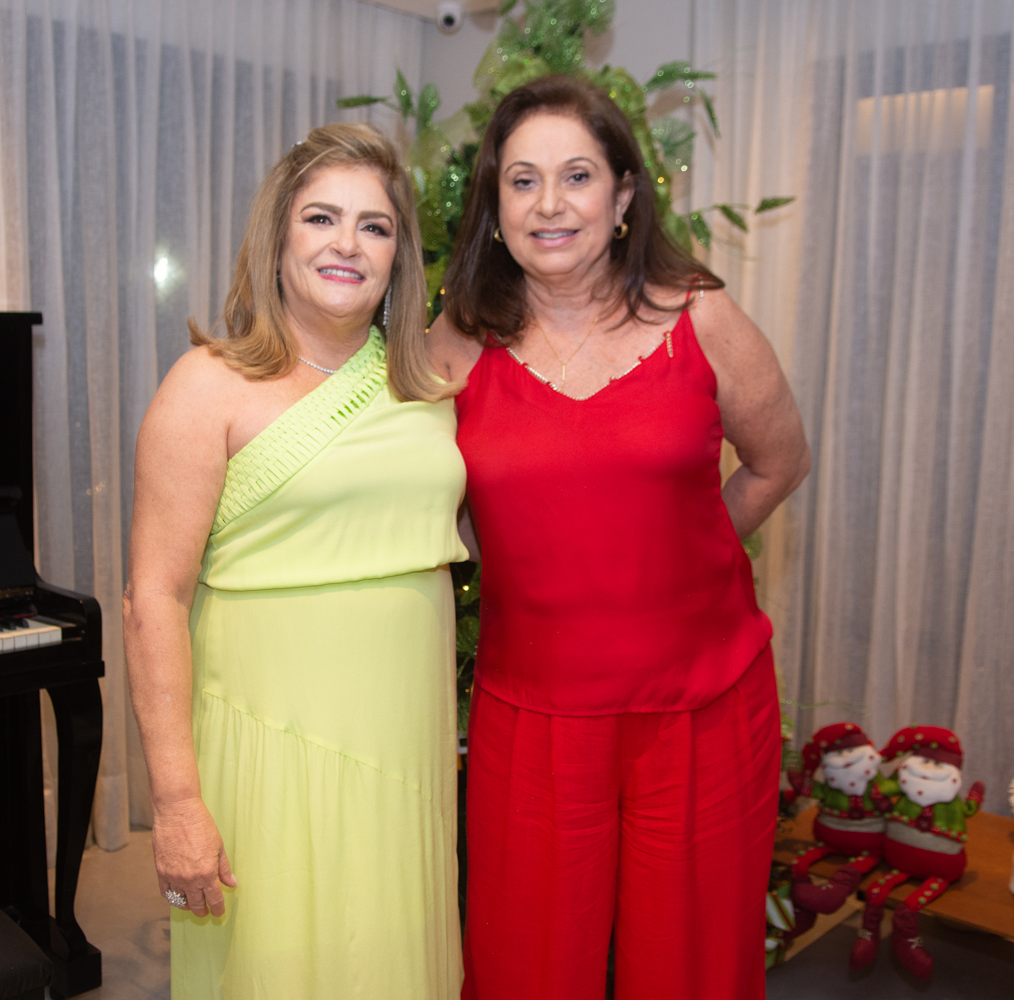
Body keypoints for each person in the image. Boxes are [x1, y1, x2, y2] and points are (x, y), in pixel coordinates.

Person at [428, 75, 811, 1000]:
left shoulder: (702, 318)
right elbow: (414, 498)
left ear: (625, 194)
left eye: (577, 176)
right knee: (524, 970)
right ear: (495, 205)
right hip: (533, 716)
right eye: (522, 181)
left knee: (688, 969)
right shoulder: (456, 343)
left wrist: (679, 556)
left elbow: (779, 463)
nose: (549, 205)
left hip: (701, 711)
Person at [125, 123, 467, 999]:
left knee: (391, 958)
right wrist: (176, 802)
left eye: (374, 226)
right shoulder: (206, 386)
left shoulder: (430, 383)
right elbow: (152, 599)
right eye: (321, 218)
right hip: (269, 749)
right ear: (277, 238)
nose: (347, 244)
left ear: (398, 256)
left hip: (404, 749)